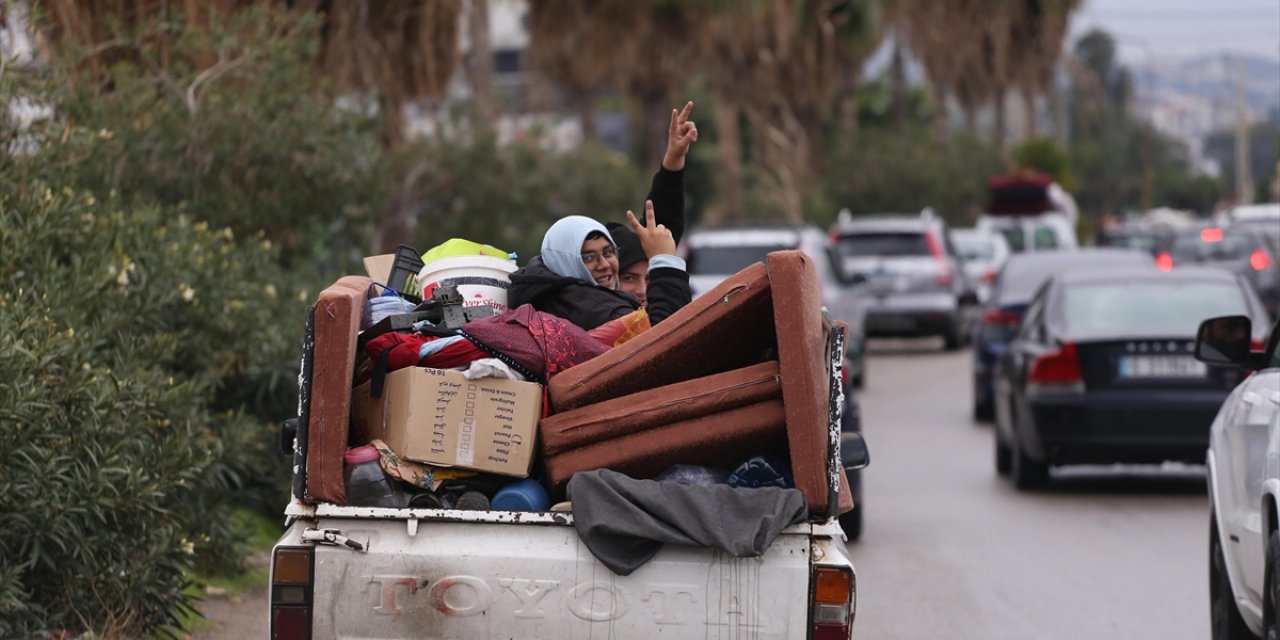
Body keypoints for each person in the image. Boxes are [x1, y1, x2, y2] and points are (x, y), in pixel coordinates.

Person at [507, 103, 698, 329]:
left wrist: (673, 162)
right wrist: (665, 264)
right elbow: (666, 340)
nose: (604, 265)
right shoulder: (599, 309)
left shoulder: (569, 291)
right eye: (588, 257)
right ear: (568, 263)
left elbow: (659, 233)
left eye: (608, 252)